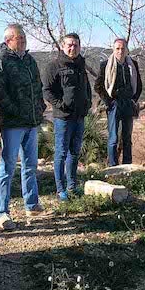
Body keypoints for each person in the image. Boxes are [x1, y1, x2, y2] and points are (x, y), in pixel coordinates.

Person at [0, 23, 46, 229]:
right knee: (8, 167)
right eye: (18, 38)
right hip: (13, 123)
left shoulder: (29, 60)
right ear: (8, 40)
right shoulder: (1, 61)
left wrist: (40, 108)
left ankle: (31, 203)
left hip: (31, 121)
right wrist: (13, 110)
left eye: (23, 37)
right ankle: (2, 212)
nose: (22, 41)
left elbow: (38, 87)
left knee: (30, 165)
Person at [43, 32, 92, 200]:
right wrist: (61, 105)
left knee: (74, 153)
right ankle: (61, 189)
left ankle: (72, 186)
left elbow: (86, 87)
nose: (72, 47)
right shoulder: (54, 66)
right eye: (69, 45)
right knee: (61, 153)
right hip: (63, 118)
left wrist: (88, 102)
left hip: (79, 116)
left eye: (76, 45)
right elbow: (47, 91)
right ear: (63, 46)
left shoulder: (80, 64)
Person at [96, 37, 142, 166]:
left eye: (123, 48)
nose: (120, 51)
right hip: (114, 104)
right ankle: (112, 166)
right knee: (113, 138)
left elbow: (139, 84)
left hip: (128, 103)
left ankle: (128, 166)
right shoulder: (105, 64)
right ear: (113, 49)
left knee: (127, 138)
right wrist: (109, 102)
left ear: (127, 50)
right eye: (117, 48)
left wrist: (134, 100)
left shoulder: (133, 64)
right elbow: (98, 86)